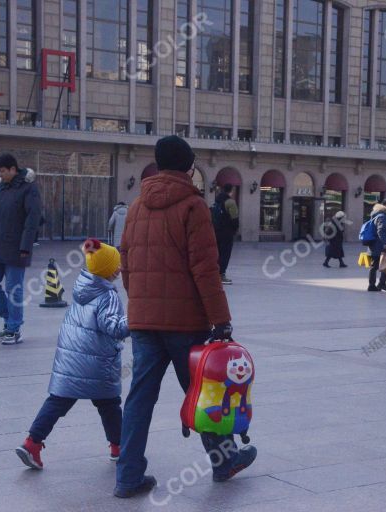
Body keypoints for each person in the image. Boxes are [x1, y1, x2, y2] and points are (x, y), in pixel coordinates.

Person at [115, 135, 256, 499]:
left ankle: (127, 476)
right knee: (203, 393)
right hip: (185, 323)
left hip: (145, 322)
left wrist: (141, 303)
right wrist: (220, 319)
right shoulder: (194, 207)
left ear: (159, 164)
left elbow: (125, 263)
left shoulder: (134, 207)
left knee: (139, 398)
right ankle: (224, 461)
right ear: (189, 166)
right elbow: (206, 270)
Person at [17, 239, 128, 470]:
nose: (120, 268)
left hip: (71, 357)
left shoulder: (83, 285)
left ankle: (32, 442)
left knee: (59, 400)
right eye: (116, 265)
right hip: (97, 361)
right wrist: (136, 319)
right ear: (106, 269)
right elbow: (113, 327)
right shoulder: (107, 295)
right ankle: (119, 447)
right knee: (109, 404)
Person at [0, 153, 42, 345]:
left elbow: (33, 220)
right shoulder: (0, 188)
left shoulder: (28, 189)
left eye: (3, 171)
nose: (0, 175)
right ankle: (9, 318)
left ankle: (14, 329)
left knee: (14, 289)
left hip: (16, 247)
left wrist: (26, 246)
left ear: (13, 169)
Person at [212, 183, 240, 285]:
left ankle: (215, 274)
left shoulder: (217, 200)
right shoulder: (230, 202)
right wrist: (235, 229)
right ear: (231, 190)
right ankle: (221, 274)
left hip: (216, 231)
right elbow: (235, 219)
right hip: (226, 232)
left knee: (217, 253)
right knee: (225, 253)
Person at [367, 200, 386, 292]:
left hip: (374, 245)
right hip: (380, 246)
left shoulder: (375, 216)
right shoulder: (382, 217)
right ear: (385, 207)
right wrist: (385, 243)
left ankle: (374, 285)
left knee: (374, 266)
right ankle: (378, 284)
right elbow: (380, 231)